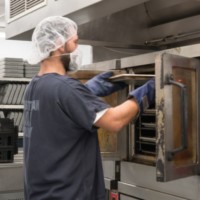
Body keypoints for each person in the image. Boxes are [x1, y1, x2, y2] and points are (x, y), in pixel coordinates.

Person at [23, 16, 155, 200]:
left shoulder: (35, 86)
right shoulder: (65, 87)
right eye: (75, 42)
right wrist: (148, 91)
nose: (77, 49)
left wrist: (86, 91)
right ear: (60, 45)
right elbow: (115, 121)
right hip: (69, 194)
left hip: (43, 193)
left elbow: (59, 113)